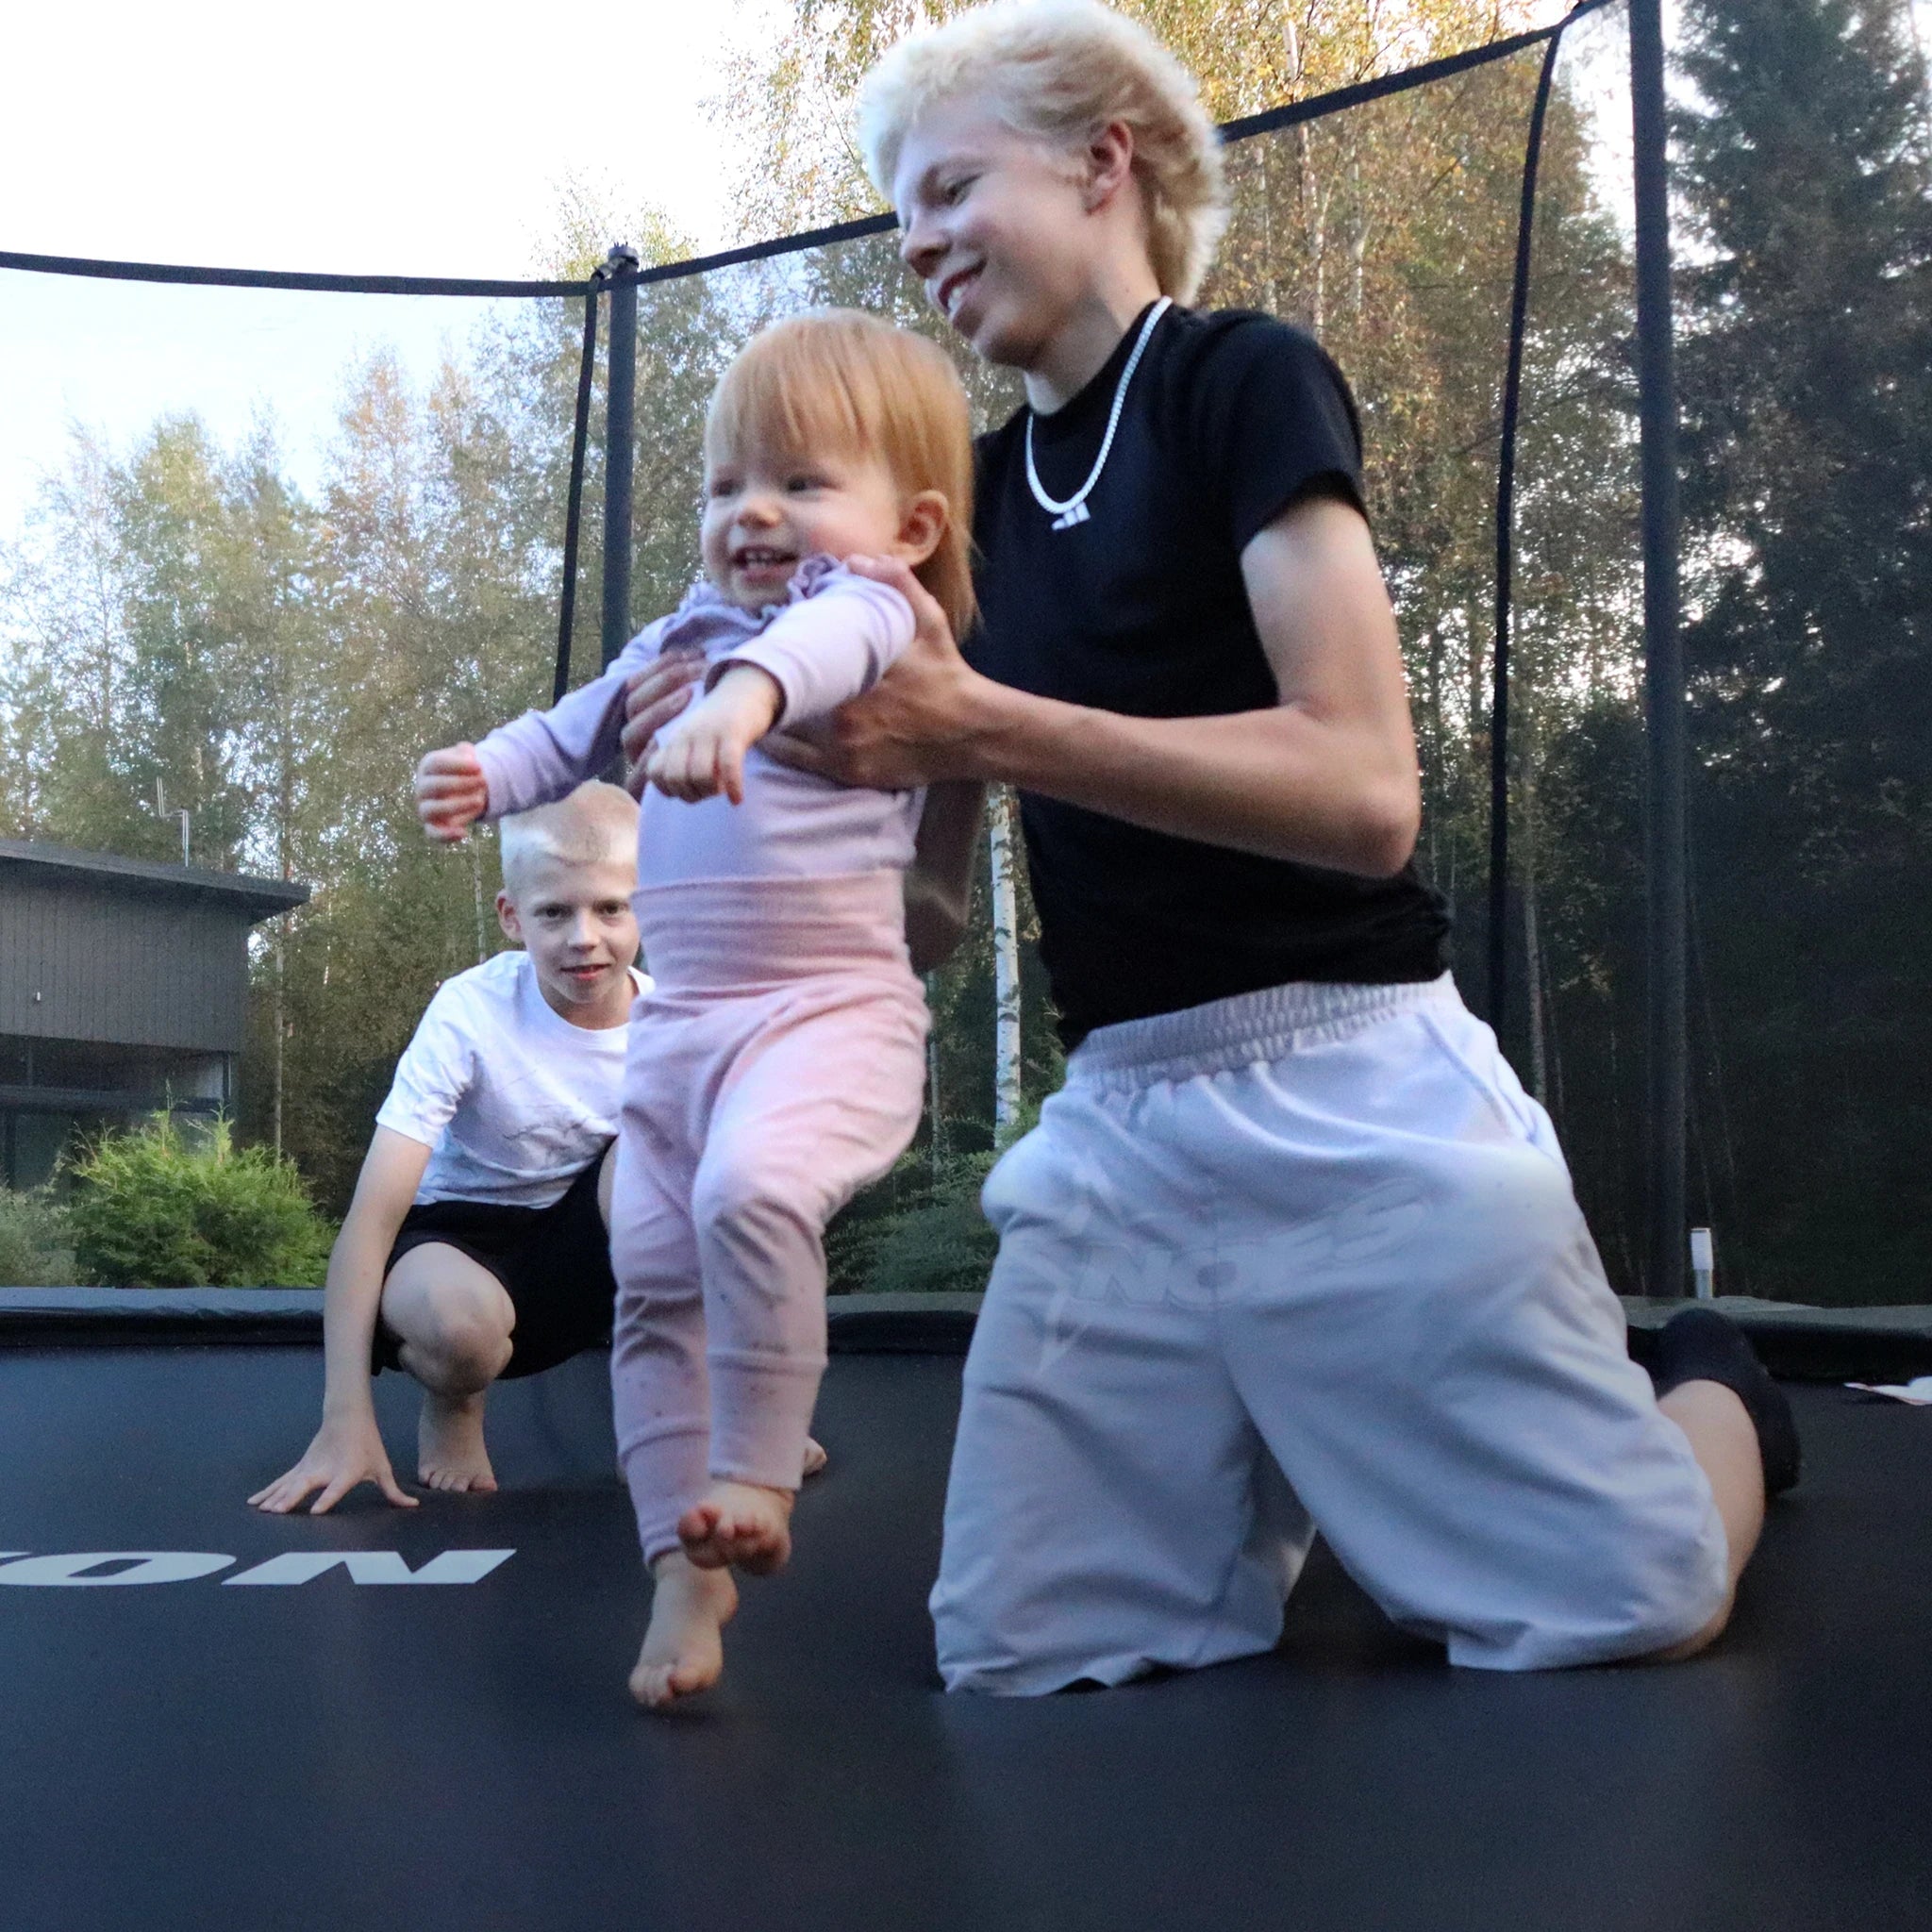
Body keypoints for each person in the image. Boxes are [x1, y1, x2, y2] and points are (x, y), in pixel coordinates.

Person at [623, 0, 1799, 1693]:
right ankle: (1311, 1438)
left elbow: (1361, 788)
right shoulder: (972, 506)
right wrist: (735, 888)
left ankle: (1712, 1388)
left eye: (950, 186)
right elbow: (934, 903)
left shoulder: (1235, 382)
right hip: (1118, 1131)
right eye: (901, 212)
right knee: (1025, 1640)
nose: (920, 240)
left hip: (1350, 1085)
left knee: (1633, 1593)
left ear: (1101, 161)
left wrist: (983, 729)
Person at [411, 309, 979, 1707]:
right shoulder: (682, 635)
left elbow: (821, 651)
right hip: (684, 1034)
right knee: (653, 1285)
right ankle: (685, 1568)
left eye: (800, 481)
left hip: (827, 1016)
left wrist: (736, 706)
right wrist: (490, 769)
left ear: (908, 526)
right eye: (728, 486)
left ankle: (758, 1472)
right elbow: (576, 724)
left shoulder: (879, 619)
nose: (755, 512)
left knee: (749, 1195)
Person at [250, 782, 649, 1515]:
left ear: (647, 906)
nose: (583, 937)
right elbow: (370, 1221)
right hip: (455, 1244)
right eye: (554, 912)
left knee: (666, 1164)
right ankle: (455, 1402)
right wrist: (345, 1419)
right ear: (511, 917)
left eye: (610, 908)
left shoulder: (671, 1025)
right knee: (461, 1332)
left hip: (580, 1256)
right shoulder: (471, 1013)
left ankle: (661, 1423)